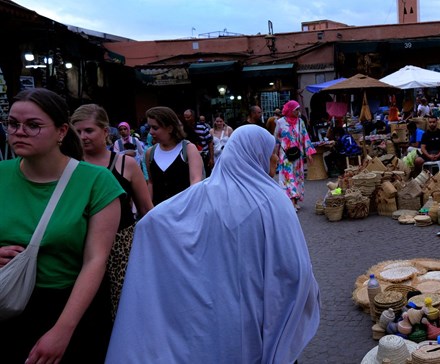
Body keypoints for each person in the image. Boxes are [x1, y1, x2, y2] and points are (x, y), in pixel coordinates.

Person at [106, 125, 321, 363]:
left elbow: (155, 221)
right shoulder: (273, 199)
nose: (274, 158)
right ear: (255, 153)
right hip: (262, 306)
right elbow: (294, 268)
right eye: (270, 151)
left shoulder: (206, 193)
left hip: (223, 310)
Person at [0, 88, 123, 363]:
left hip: (70, 309)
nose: (19, 131)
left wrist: (63, 330)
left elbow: (96, 260)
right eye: (12, 123)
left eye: (33, 125)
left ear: (61, 131)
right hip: (6, 304)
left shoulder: (97, 181)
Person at [70, 104, 153, 319]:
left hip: (122, 247)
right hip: (80, 246)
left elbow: (146, 209)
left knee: (123, 309)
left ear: (105, 132)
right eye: (77, 132)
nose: (83, 137)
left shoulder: (126, 164)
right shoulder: (70, 166)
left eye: (89, 130)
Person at [146, 106, 204, 205]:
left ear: (170, 128)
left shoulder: (188, 149)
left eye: (155, 128)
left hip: (184, 211)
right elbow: (151, 183)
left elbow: (196, 182)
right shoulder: (150, 153)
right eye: (149, 127)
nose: (151, 132)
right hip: (159, 214)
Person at [275, 100, 316, 211]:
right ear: (290, 110)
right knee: (288, 177)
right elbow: (276, 139)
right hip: (285, 155)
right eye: (296, 109)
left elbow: (305, 137)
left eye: (298, 109)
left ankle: (296, 200)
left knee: (297, 177)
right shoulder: (280, 122)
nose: (298, 111)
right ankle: (291, 202)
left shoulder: (300, 122)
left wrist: (309, 153)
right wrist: (274, 155)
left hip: (297, 154)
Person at [183, 109, 214, 175]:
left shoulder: (202, 127)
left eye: (188, 117)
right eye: (185, 117)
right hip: (188, 158)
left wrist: (211, 158)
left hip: (203, 156)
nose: (186, 119)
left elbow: (210, 142)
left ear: (193, 117)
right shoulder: (183, 128)